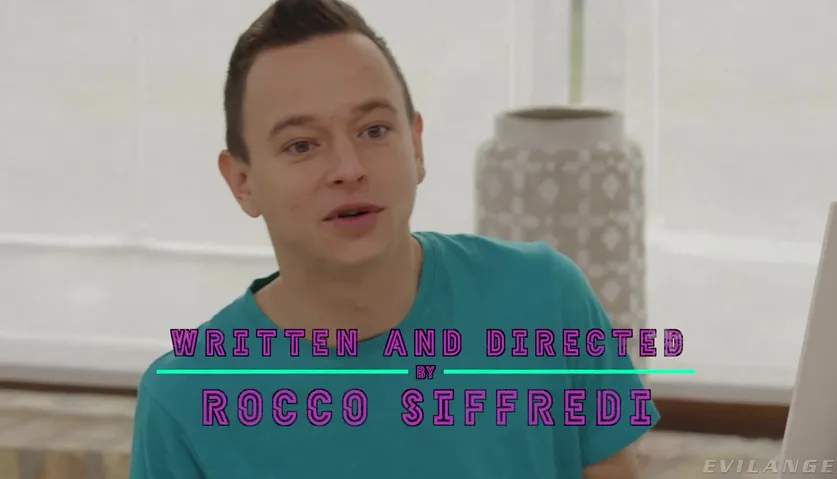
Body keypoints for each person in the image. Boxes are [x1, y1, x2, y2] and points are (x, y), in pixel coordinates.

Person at [129, 0, 659, 477]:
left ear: (417, 146)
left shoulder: (546, 299)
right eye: (301, 145)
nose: (348, 168)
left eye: (374, 131)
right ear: (243, 183)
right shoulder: (183, 400)